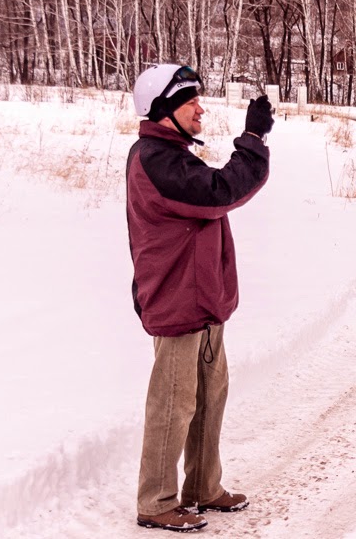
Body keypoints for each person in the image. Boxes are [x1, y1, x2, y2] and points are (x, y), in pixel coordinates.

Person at [126, 64, 273, 531]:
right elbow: (218, 192)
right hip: (177, 301)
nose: (200, 109)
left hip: (204, 299)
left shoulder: (174, 154)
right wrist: (252, 139)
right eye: (191, 102)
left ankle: (202, 487)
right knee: (173, 403)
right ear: (165, 109)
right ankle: (155, 500)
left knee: (209, 396)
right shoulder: (156, 159)